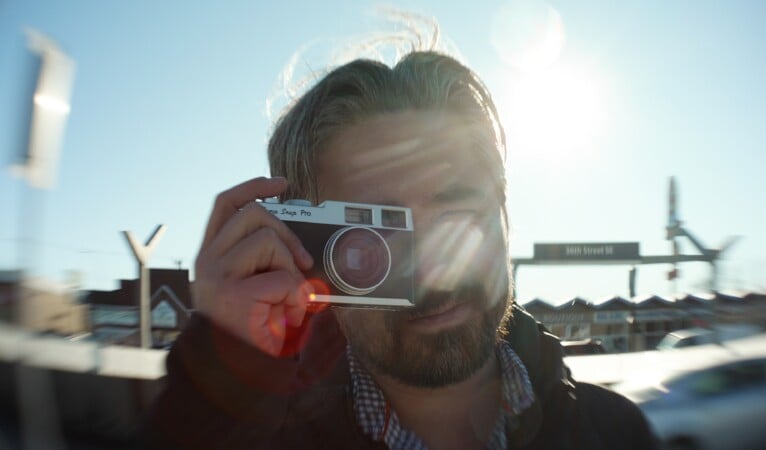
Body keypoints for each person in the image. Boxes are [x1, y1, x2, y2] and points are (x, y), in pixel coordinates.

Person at [142, 49, 659, 450]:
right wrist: (221, 375)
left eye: (459, 220)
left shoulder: (616, 433)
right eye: (379, 240)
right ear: (307, 251)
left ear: (503, 215)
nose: (434, 272)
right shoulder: (255, 434)